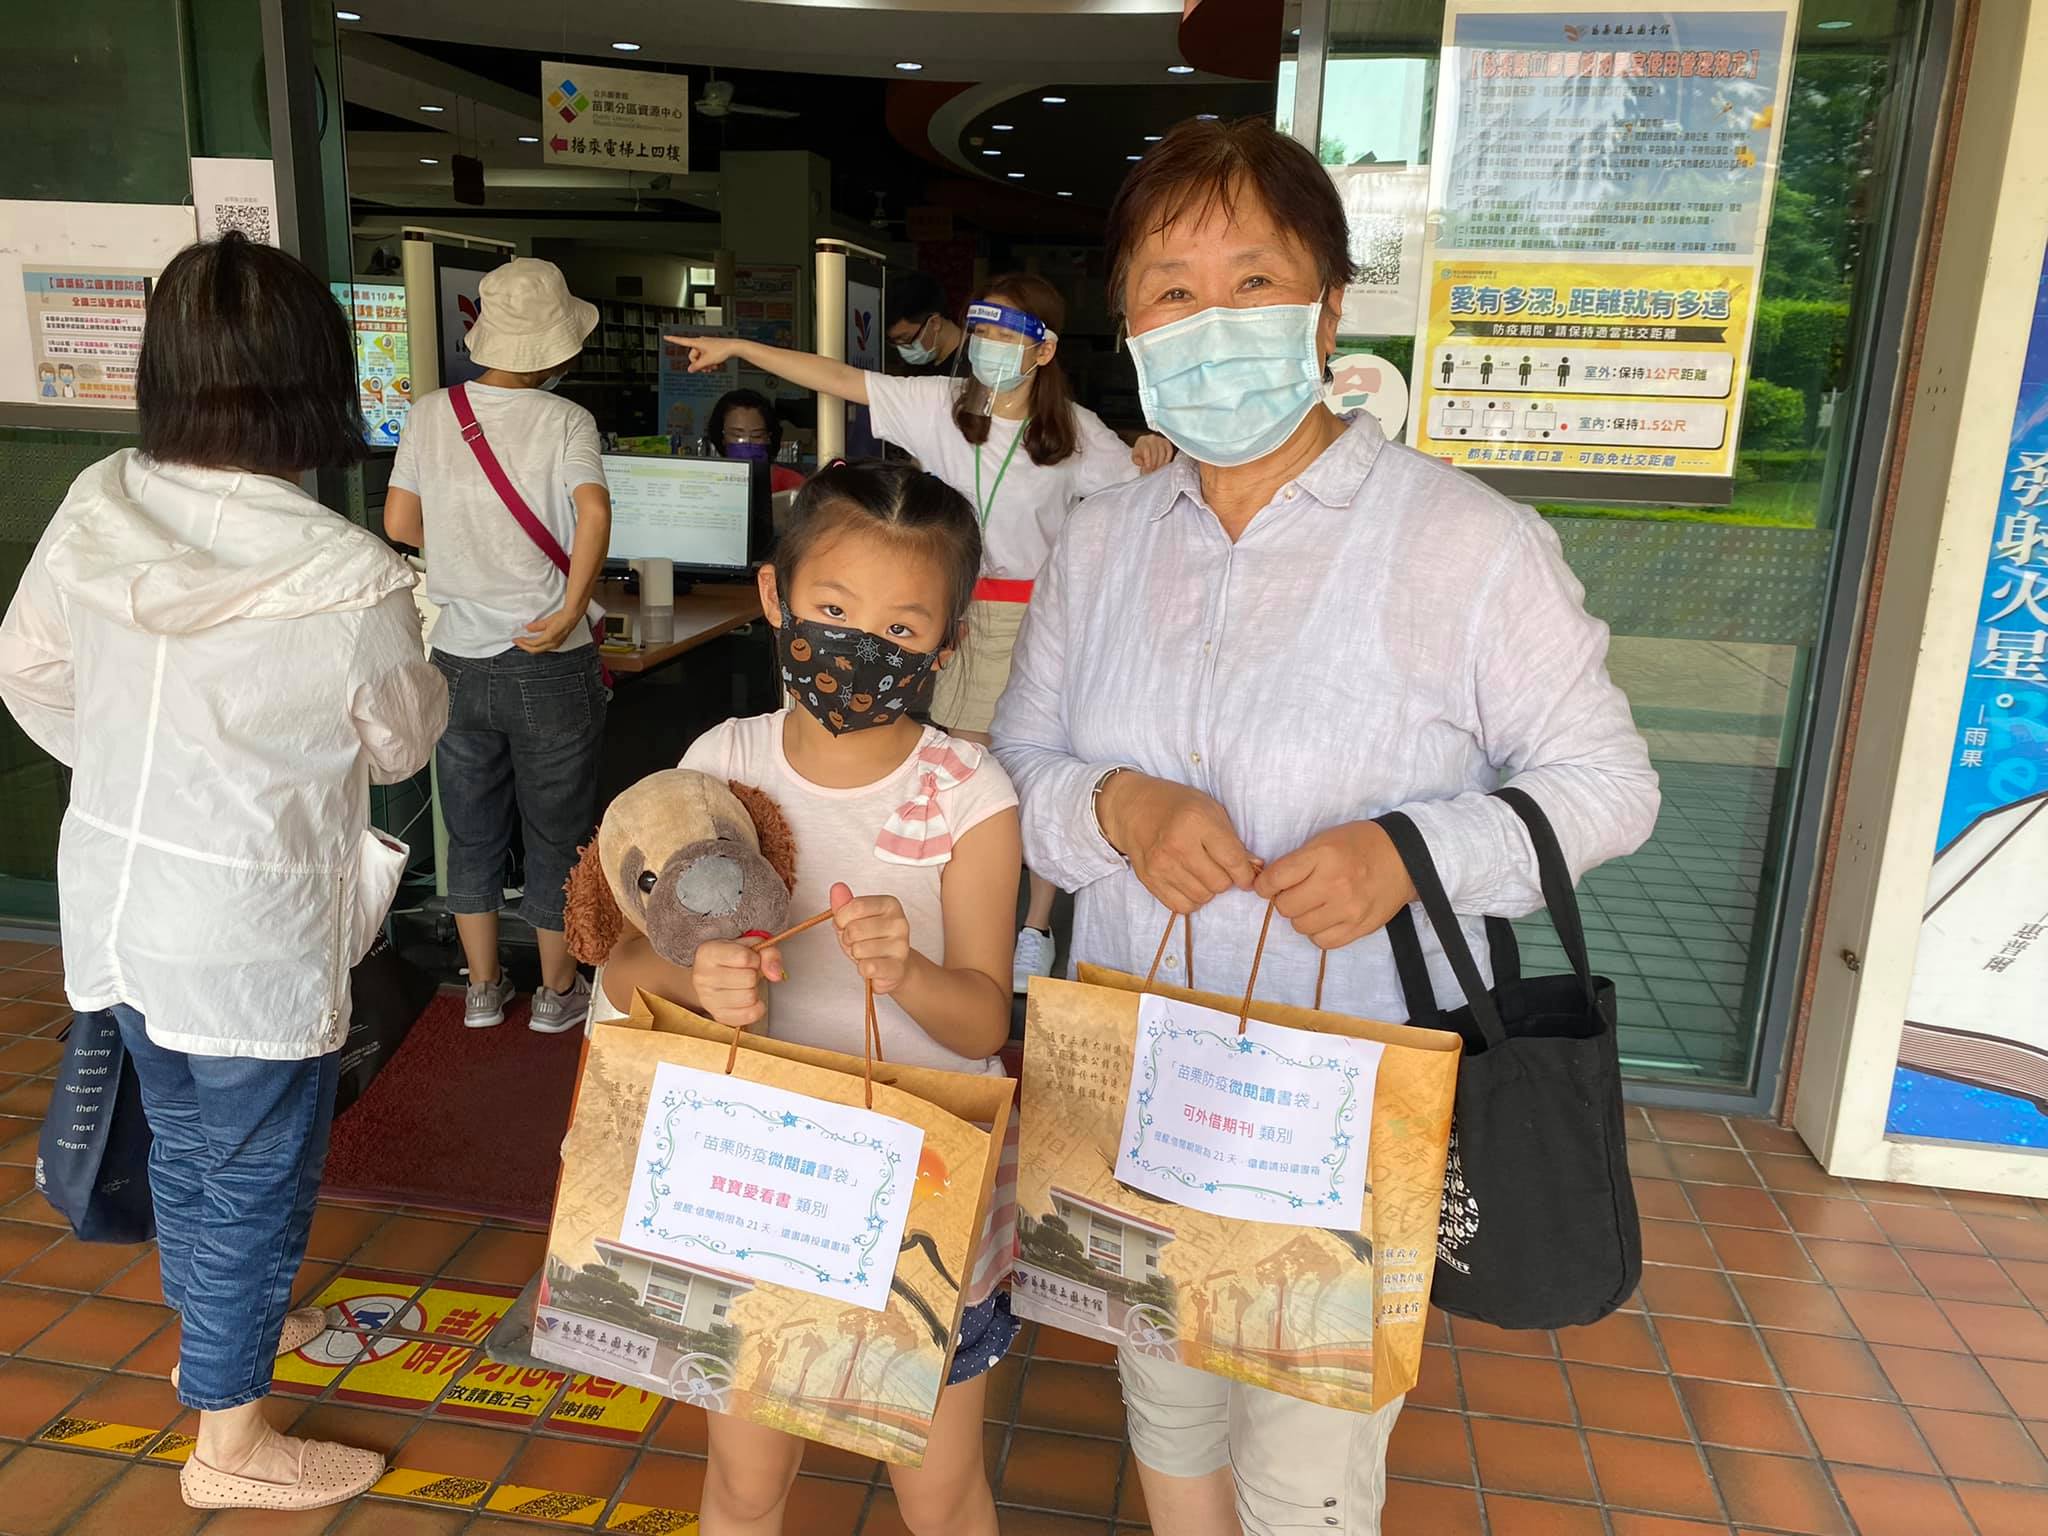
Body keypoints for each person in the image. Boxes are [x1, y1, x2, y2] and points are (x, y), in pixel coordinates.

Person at [991, 118, 1660, 1536]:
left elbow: (1609, 784)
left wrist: (1410, 855)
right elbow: (1023, 764)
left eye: (1253, 279)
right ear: (1127, 320)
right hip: (1136, 1068)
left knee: (1306, 1469)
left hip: (1348, 1101)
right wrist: (1114, 804)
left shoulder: (1465, 543)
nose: (1211, 317)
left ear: (1328, 304)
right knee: (1165, 1394)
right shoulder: (1101, 542)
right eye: (1172, 288)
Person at [0, 233, 448, 1513]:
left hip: (121, 903)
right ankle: (232, 1443)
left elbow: (25, 667)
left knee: (191, 1152)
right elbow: (403, 734)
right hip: (250, 931)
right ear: (316, 377)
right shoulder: (345, 577)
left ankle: (213, 1382)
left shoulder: (97, 504)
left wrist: (139, 773)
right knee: (247, 1178)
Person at [593, 459, 1020, 1536]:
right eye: (830, 610)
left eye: (901, 627)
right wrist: (696, 973)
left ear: (947, 641)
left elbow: (983, 1022)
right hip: (751, 1182)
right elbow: (623, 971)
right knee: (744, 1482)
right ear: (775, 597)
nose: (858, 644)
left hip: (915, 1195)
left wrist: (907, 972)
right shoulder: (717, 768)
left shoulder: (968, 792)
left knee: (933, 1485)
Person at [668, 274, 1173, 992]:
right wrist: (740, 347)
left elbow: (1151, 493)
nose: (991, 347)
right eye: (984, 330)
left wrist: (1158, 448)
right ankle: (929, 913)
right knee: (937, 765)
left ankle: (1030, 929)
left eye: (1010, 335)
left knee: (1019, 765)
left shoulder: (1076, 434)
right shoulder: (943, 404)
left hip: (1025, 617)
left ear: (1045, 350)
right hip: (921, 619)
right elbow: (841, 378)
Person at [383, 258, 613, 1034]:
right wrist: (568, 607)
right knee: (559, 832)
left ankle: (483, 988)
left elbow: (400, 526)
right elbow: (591, 512)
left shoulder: (429, 414)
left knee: (471, 831)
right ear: (555, 347)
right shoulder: (567, 422)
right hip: (549, 662)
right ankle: (555, 996)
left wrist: (465, 554)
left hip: (457, 660)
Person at [705, 385, 806, 493]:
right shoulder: (707, 481)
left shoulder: (793, 483)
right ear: (722, 437)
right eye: (736, 435)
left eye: (757, 436)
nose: (747, 443)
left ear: (769, 437)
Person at [886, 269, 963, 374]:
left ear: (935, 322)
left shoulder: (973, 366)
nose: (902, 350)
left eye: (905, 338)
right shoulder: (920, 368)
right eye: (894, 342)